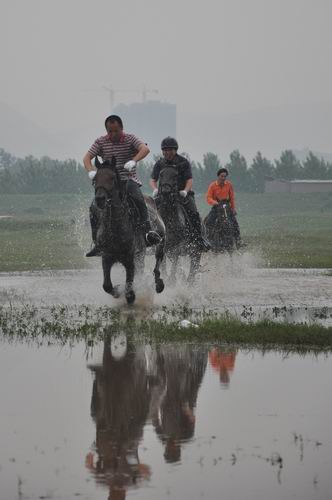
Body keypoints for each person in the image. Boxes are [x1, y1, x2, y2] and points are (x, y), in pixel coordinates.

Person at [83, 115, 161, 257]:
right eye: (110, 131)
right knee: (94, 205)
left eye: (115, 131)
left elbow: (145, 149)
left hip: (127, 179)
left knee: (137, 198)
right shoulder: (100, 141)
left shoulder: (130, 138)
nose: (112, 134)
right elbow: (86, 158)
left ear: (121, 129)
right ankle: (97, 242)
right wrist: (91, 171)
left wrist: (133, 160)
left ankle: (148, 232)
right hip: (108, 182)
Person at [150, 137, 210, 251]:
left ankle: (199, 239)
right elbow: (153, 179)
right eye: (165, 150)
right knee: (152, 214)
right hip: (163, 195)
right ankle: (151, 238)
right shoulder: (160, 163)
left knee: (193, 213)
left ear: (175, 150)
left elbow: (189, 180)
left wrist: (185, 191)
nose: (167, 152)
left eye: (170, 150)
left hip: (182, 195)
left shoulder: (183, 162)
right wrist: (155, 189)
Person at [206, 167, 244, 247]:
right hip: (216, 207)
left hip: (226, 207)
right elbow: (208, 197)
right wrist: (215, 202)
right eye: (222, 176)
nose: (223, 178)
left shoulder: (229, 185)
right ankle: (208, 241)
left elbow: (232, 198)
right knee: (208, 222)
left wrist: (233, 209)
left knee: (235, 223)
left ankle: (238, 241)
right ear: (218, 176)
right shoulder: (212, 185)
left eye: (225, 176)